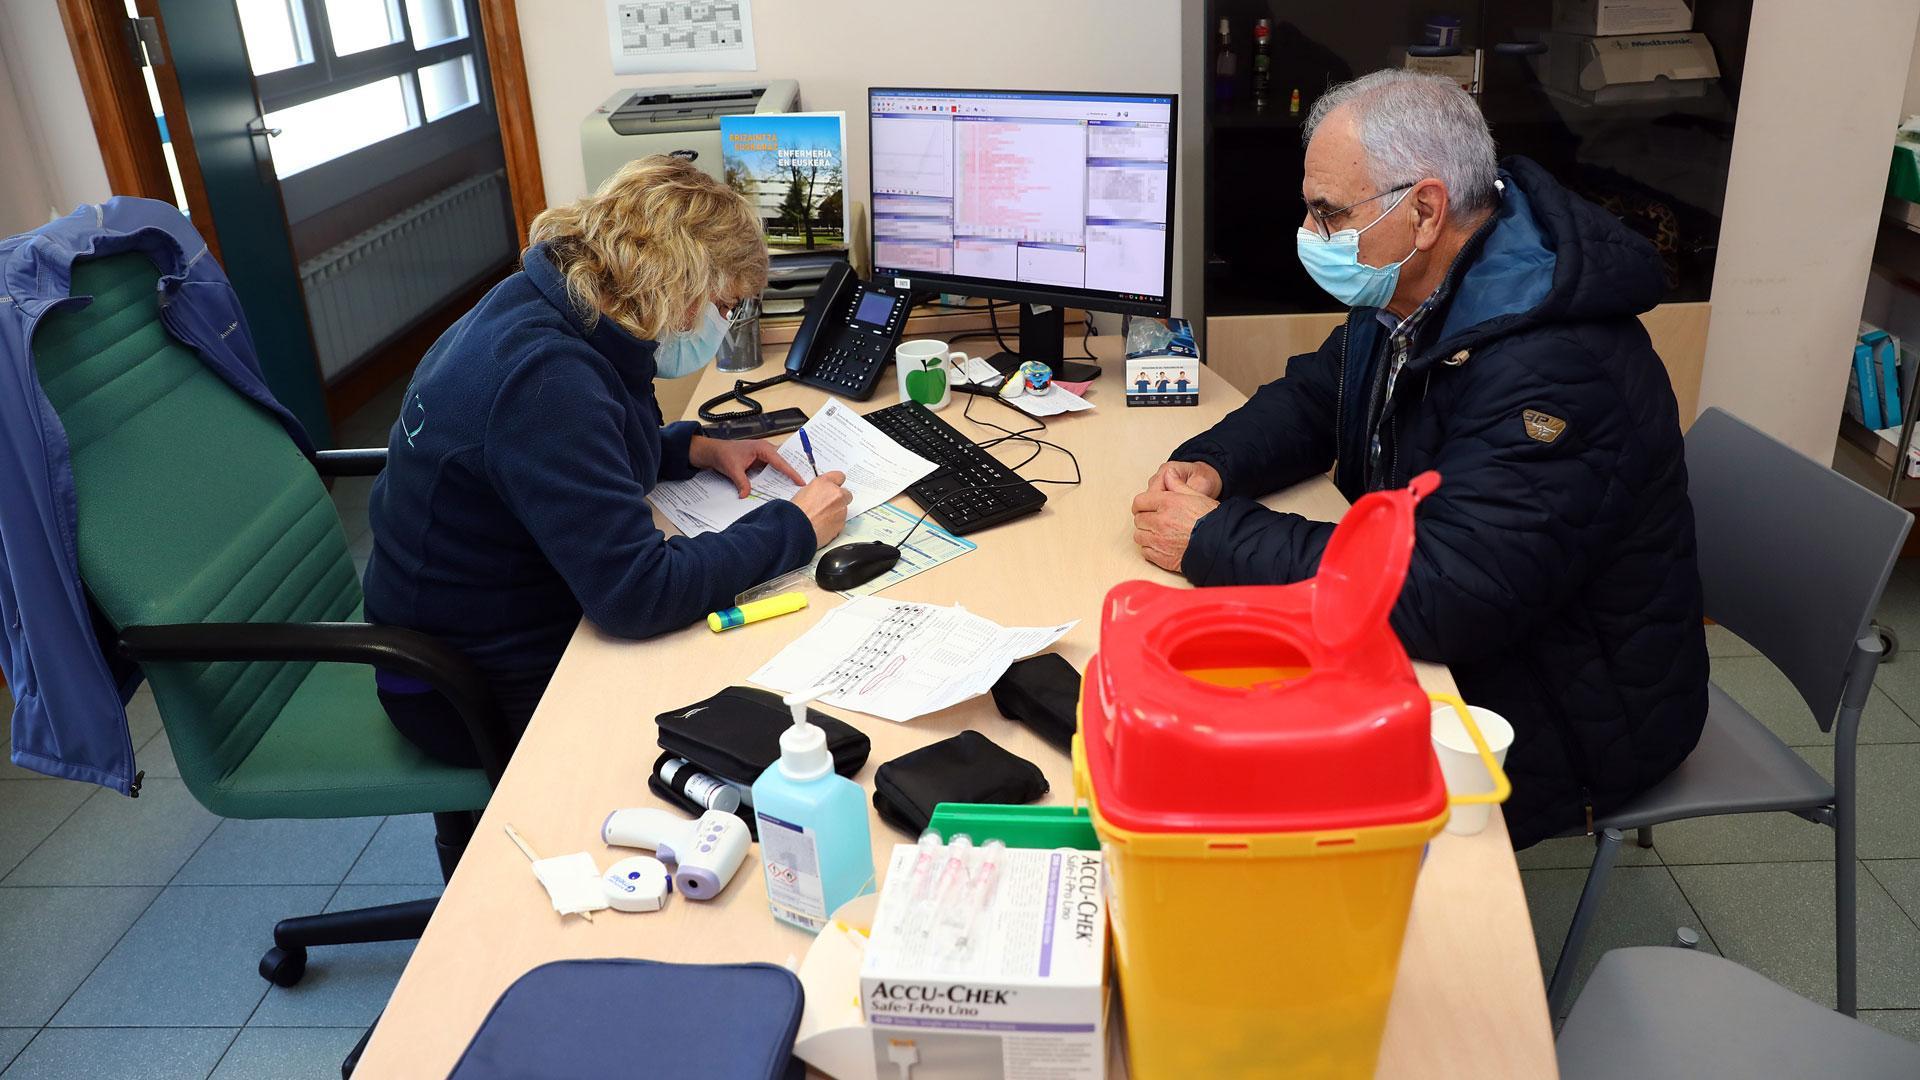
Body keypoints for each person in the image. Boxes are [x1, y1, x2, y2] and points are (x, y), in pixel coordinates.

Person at [1130, 71, 1706, 847]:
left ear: (1426, 211)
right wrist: (1215, 465)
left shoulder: (1558, 369)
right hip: (1484, 639)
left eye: (1328, 213)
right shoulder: (1419, 286)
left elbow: (1442, 594)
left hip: (1562, 712)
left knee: (1247, 787)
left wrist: (1213, 537)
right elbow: (1318, 396)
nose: (1309, 231)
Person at [363, 156, 851, 766]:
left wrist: (691, 447)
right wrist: (795, 527)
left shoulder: (563, 305)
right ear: (677, 287)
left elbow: (576, 452)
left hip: (499, 610)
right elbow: (636, 594)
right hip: (461, 682)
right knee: (737, 707)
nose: (724, 325)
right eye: (724, 306)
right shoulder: (545, 379)